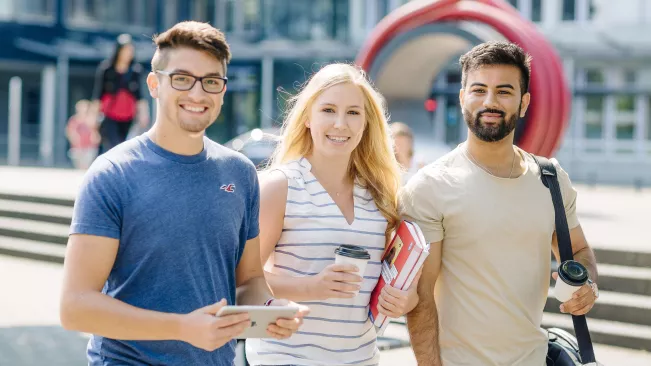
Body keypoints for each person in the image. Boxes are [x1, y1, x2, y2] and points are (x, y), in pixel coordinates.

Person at [60, 21, 307, 366]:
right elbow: (75, 307)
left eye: (210, 81)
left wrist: (268, 309)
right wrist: (181, 327)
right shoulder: (112, 174)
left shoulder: (240, 173)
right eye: (181, 78)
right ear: (154, 84)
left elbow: (249, 278)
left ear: (222, 90)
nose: (197, 93)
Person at [401, 41, 599, 366]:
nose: (490, 101)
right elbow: (422, 298)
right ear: (463, 96)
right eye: (479, 90)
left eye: (504, 91)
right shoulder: (430, 186)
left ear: (523, 103)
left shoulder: (550, 178)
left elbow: (578, 251)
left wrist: (588, 282)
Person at [245, 63, 421, 366]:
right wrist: (310, 287)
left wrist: (405, 300)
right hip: (286, 358)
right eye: (328, 110)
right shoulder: (279, 186)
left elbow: (401, 285)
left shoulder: (381, 196)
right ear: (308, 119)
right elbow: (244, 278)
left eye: (353, 113)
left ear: (366, 123)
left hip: (361, 359)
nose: (341, 123)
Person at [90, 33, 150, 154]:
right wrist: (93, 117)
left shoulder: (135, 70)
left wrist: (144, 113)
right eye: (125, 50)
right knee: (113, 143)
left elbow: (139, 95)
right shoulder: (106, 69)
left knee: (123, 143)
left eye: (130, 50)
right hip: (110, 113)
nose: (127, 53)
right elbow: (98, 94)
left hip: (128, 115)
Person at [66, 99, 100, 169]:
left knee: (87, 167)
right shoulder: (74, 120)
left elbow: (95, 130)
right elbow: (70, 132)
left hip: (89, 147)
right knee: (79, 167)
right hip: (77, 147)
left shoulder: (91, 119)